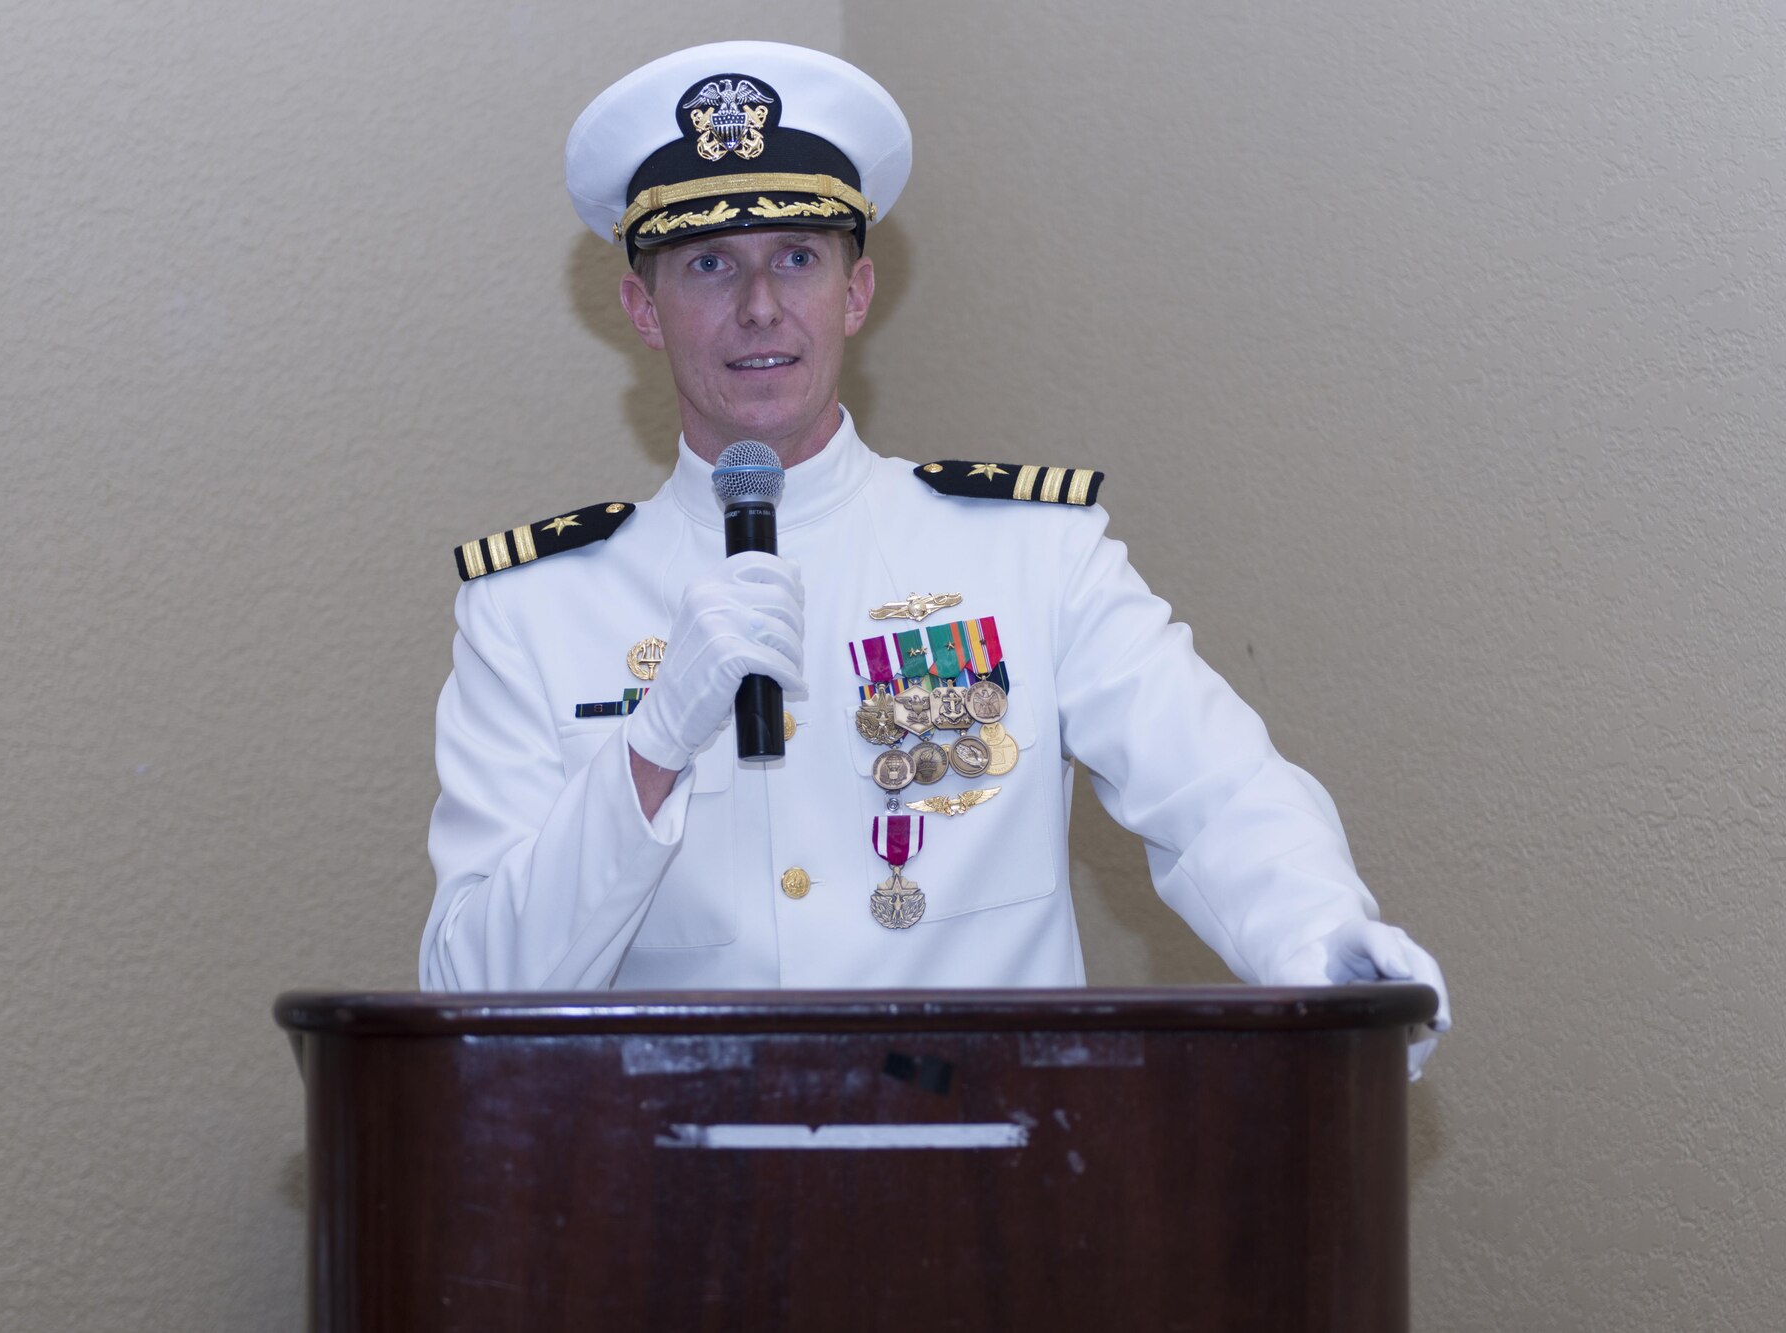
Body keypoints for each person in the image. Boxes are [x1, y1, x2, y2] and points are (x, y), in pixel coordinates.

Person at [421, 41, 1451, 1075]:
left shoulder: (1029, 552)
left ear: (856, 292)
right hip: (675, 1198)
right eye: (707, 264)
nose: (760, 307)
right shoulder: (532, 610)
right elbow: (467, 988)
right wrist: (649, 750)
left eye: (796, 258)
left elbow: (1214, 790)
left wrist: (1326, 955)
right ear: (641, 310)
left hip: (989, 1184)